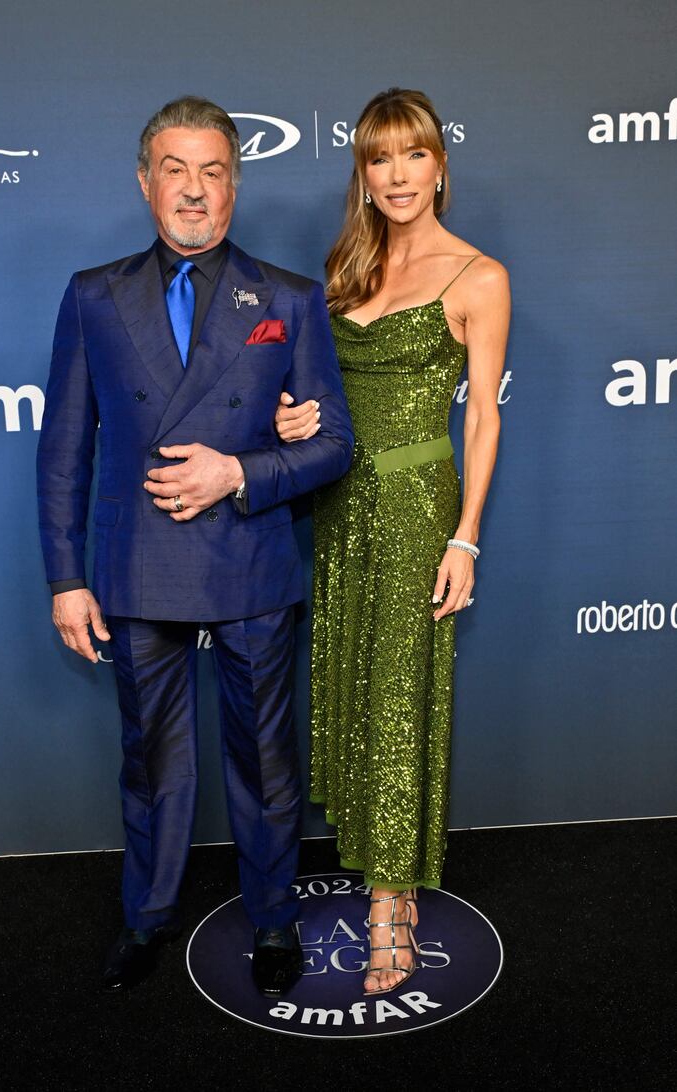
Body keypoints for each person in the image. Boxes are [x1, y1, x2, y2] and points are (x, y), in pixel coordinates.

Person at [36, 96, 353, 994]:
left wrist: (240, 474)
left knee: (266, 760)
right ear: (145, 183)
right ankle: (146, 915)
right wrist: (67, 577)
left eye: (213, 171)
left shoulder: (288, 298)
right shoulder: (95, 294)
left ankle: (275, 917)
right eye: (175, 170)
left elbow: (334, 446)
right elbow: (64, 447)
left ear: (235, 185)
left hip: (249, 561)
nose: (194, 191)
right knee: (152, 758)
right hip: (137, 569)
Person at [275, 88, 510, 995]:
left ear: (440, 165)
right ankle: (379, 862)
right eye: (380, 158)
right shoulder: (347, 263)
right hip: (339, 505)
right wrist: (297, 418)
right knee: (355, 686)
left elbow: (484, 418)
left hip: (418, 505)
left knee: (402, 700)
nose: (398, 175)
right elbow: (325, 394)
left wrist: (467, 540)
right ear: (362, 173)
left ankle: (390, 899)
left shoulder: (478, 275)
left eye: (413, 156)